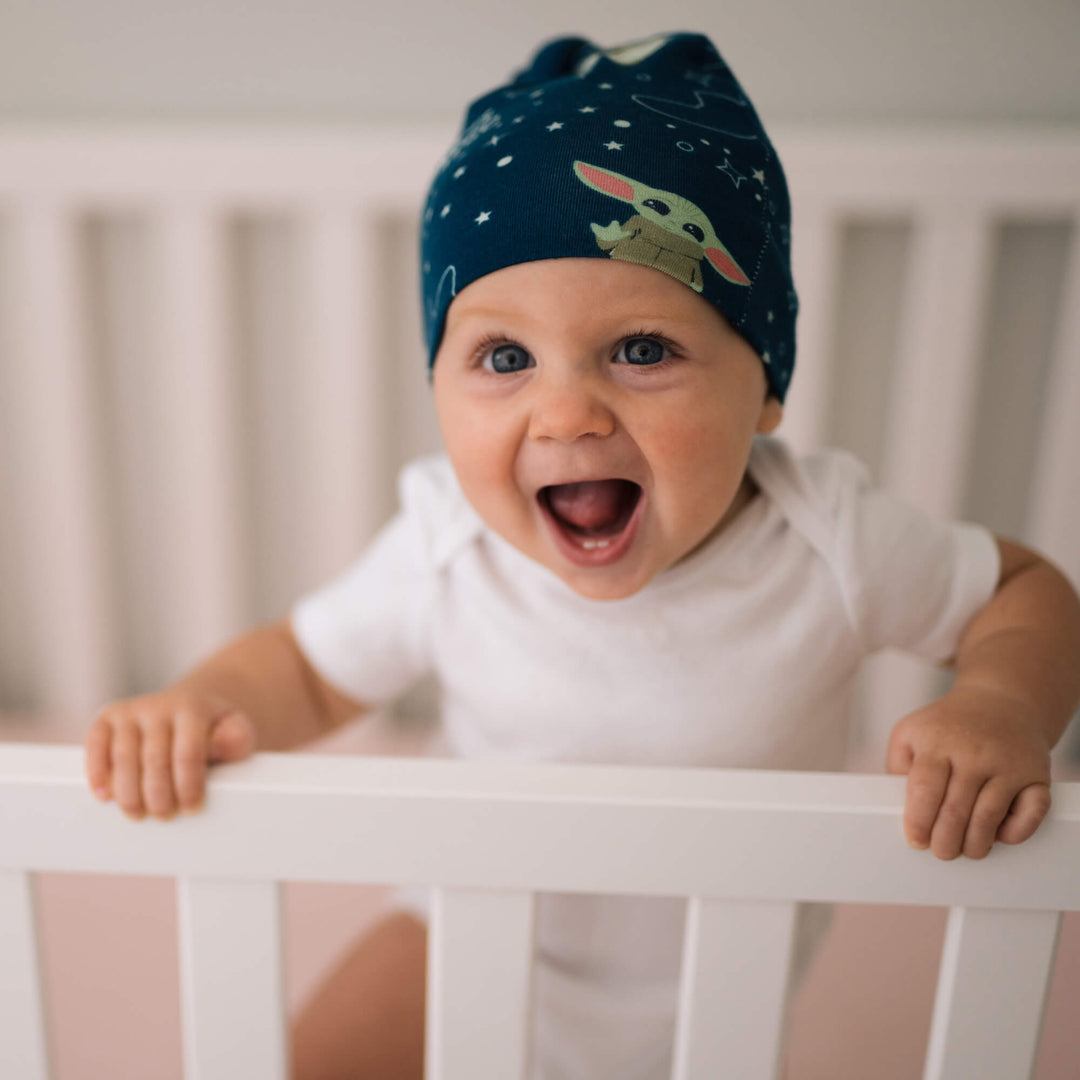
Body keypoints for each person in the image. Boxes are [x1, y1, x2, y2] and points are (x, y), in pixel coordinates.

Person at [83, 32, 1080, 1080]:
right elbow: (301, 668)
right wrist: (198, 704)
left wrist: (1002, 706)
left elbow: (1022, 591)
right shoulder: (446, 542)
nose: (565, 408)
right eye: (503, 357)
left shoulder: (826, 537)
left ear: (766, 389)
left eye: (642, 350)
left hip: (709, 1007)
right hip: (454, 935)